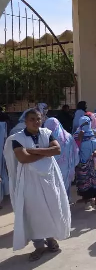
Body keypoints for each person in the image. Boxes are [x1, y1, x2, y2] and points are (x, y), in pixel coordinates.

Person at [6, 108, 70, 260]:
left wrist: (33, 151)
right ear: (25, 121)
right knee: (34, 211)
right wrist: (45, 152)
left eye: (38, 119)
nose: (36, 122)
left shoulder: (47, 133)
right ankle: (39, 246)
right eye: (32, 119)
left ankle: (51, 239)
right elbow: (23, 159)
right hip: (30, 180)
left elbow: (57, 150)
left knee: (51, 206)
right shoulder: (18, 138)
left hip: (49, 178)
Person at [44, 118, 79, 202]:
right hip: (66, 169)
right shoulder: (68, 136)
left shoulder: (45, 137)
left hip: (50, 170)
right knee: (65, 189)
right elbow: (75, 151)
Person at [74, 116, 96, 212]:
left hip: (94, 163)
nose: (86, 125)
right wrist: (80, 139)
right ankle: (87, 202)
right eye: (83, 123)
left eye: (87, 123)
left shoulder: (95, 133)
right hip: (82, 164)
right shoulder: (76, 134)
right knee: (84, 184)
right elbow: (73, 149)